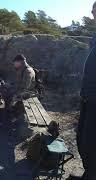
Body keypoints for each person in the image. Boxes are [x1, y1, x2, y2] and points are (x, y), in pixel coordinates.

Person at [74, 2, 96, 179]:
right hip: (87, 97)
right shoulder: (95, 37)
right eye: (93, 11)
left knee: (90, 142)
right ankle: (88, 172)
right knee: (81, 138)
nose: (93, 14)